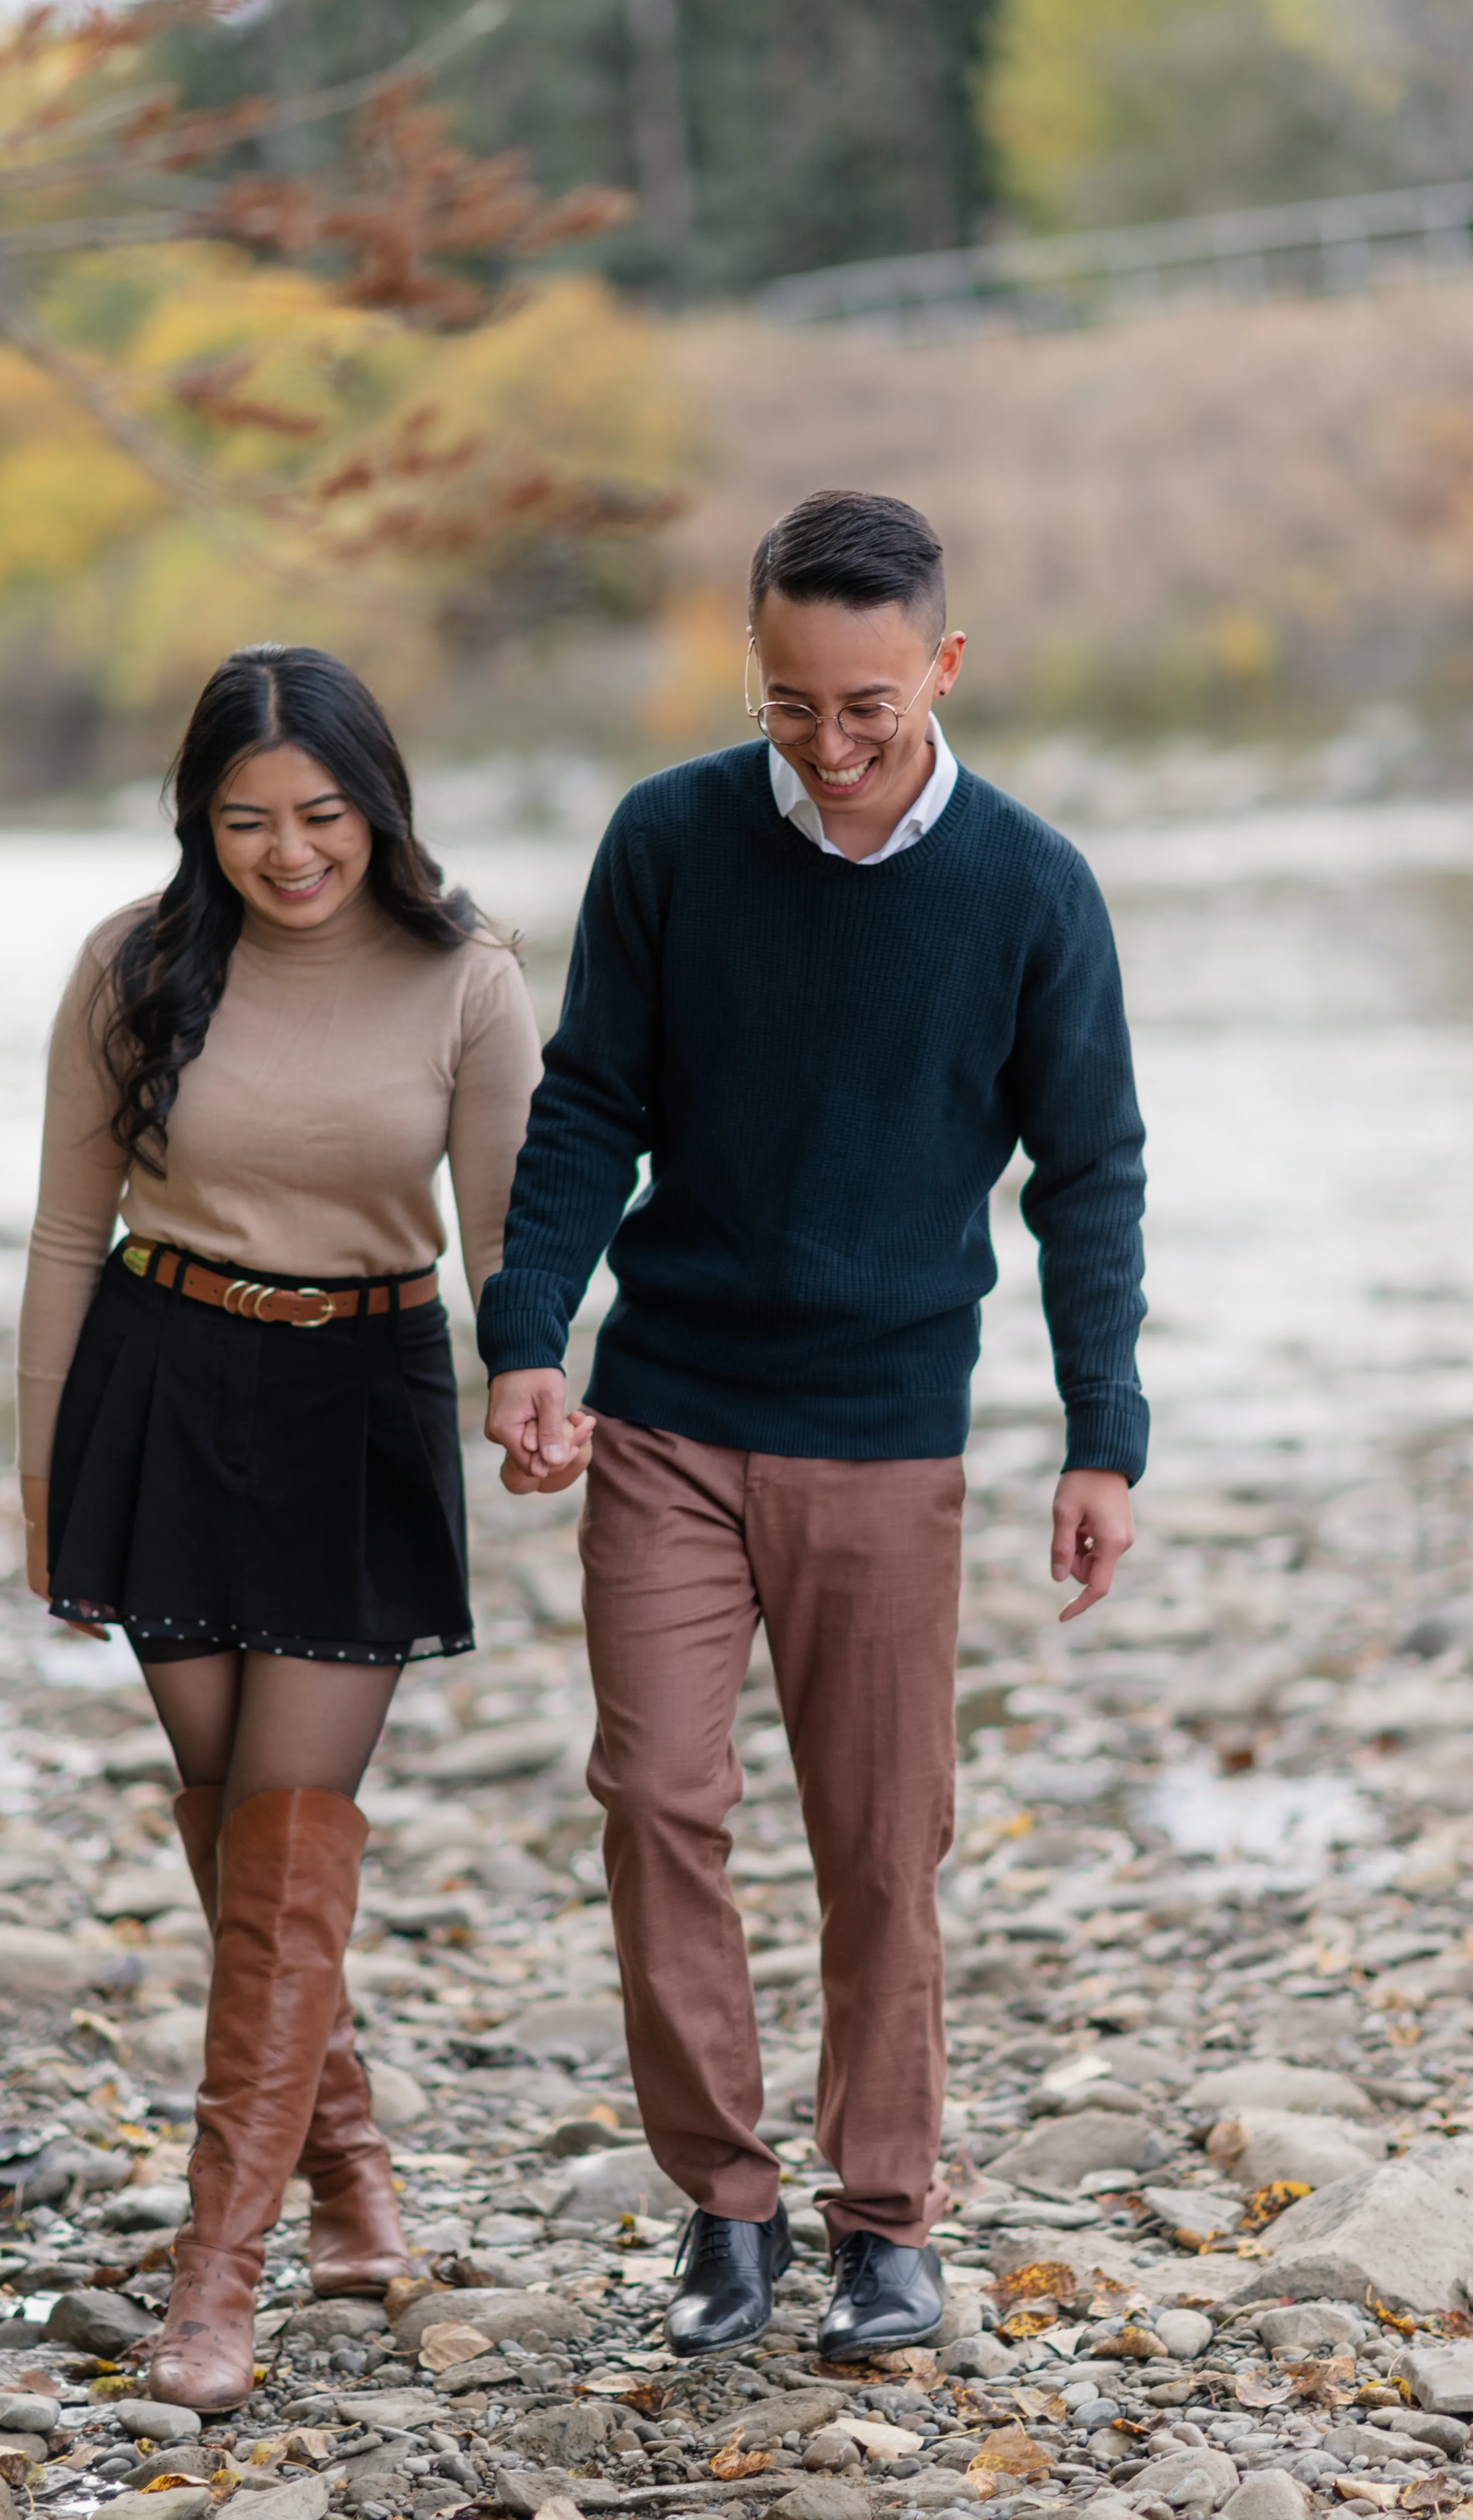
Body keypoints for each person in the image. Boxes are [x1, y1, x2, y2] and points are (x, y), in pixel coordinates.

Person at [479, 490, 1147, 2362]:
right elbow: (591, 1098)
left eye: (868, 705)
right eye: (789, 704)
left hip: (884, 1429)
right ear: (751, 665)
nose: (831, 748)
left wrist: (1103, 1433)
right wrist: (528, 1330)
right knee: (656, 1799)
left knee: (879, 1843)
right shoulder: (670, 840)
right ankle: (725, 2208)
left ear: (940, 666)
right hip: (671, 1413)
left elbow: (1085, 1173)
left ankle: (885, 2222)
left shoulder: (1028, 886)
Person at [16, 643, 548, 2411]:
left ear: (376, 806)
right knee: (235, 1825)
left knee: (285, 1816)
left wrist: (530, 1384)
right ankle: (346, 2170)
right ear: (200, 820)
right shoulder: (136, 962)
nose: (286, 851)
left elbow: (503, 1250)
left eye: (319, 815)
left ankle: (213, 2280)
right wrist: (44, 1485)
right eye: (245, 820)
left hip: (359, 1393)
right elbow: (61, 1238)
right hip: (159, 1382)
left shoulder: (467, 981)